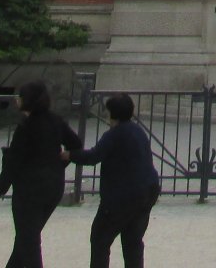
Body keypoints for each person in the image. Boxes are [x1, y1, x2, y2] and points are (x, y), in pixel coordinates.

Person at [0, 80, 81, 268]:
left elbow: (11, 167)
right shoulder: (56, 121)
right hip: (53, 187)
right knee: (26, 239)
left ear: (25, 101)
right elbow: (75, 145)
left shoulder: (25, 128)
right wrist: (61, 163)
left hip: (29, 191)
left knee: (29, 242)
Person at [61, 93, 161, 268]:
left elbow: (94, 156)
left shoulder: (114, 134)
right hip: (147, 191)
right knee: (133, 241)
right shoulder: (138, 130)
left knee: (100, 238)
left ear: (111, 114)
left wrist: (70, 155)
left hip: (121, 197)